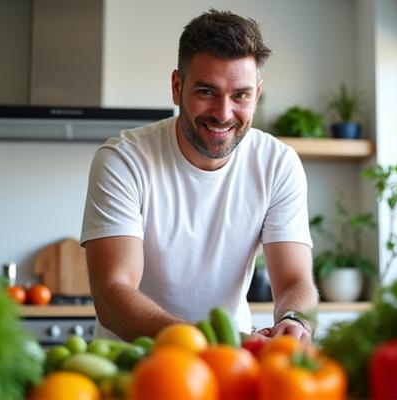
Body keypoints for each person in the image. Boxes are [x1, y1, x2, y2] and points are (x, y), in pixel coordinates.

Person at [80, 9, 318, 344]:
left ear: (257, 94)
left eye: (240, 95)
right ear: (177, 87)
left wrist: (295, 320)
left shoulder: (278, 164)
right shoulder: (123, 160)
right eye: (207, 92)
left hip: (229, 365)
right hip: (135, 365)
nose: (223, 114)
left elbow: (295, 280)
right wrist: (209, 342)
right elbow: (112, 294)